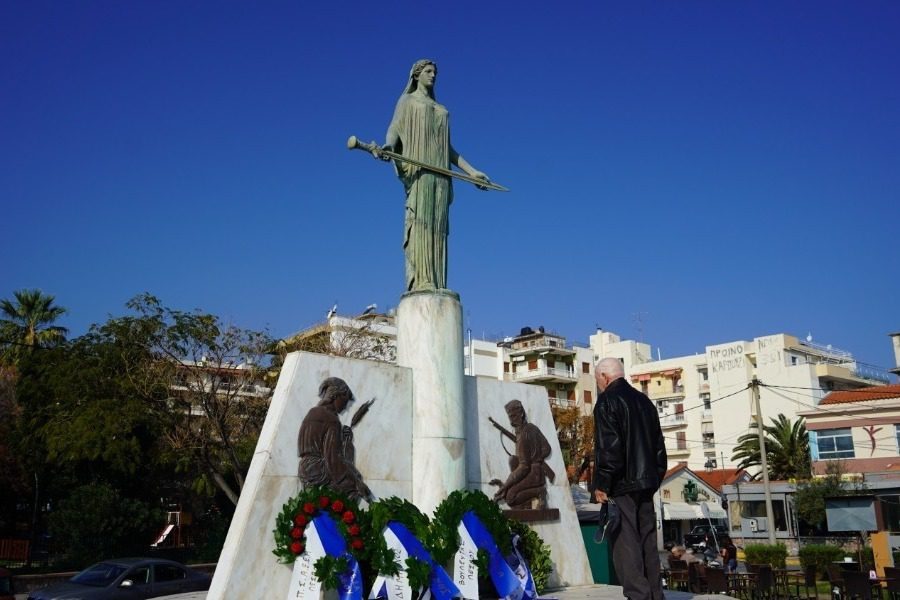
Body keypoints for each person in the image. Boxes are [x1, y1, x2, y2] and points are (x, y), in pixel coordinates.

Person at [379, 59, 489, 292]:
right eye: (428, 71)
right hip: (420, 173)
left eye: (435, 72)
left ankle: (438, 282)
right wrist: (389, 146)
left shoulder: (440, 108)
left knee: (438, 229)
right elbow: (394, 128)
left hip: (441, 175)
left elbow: (448, 149)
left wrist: (472, 172)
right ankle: (422, 280)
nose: (433, 75)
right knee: (421, 224)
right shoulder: (407, 101)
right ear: (416, 75)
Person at [593, 357, 667, 600]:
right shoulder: (645, 402)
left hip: (622, 484)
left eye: (597, 380)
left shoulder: (607, 401)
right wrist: (653, 479)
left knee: (626, 542)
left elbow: (610, 449)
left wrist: (602, 484)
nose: (598, 385)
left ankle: (638, 595)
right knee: (647, 540)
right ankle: (655, 594)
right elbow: (659, 449)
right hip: (646, 482)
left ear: (604, 377)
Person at [297, 377, 371, 500]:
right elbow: (332, 459)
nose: (346, 406)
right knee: (354, 485)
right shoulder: (331, 419)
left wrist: (344, 440)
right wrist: (356, 483)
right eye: (345, 400)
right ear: (337, 396)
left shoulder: (313, 412)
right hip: (319, 471)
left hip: (305, 469)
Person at [488, 399, 555, 508]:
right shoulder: (532, 427)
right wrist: (536, 456)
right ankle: (528, 501)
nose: (511, 421)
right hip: (537, 472)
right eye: (510, 417)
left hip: (532, 474)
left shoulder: (523, 436)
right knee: (513, 460)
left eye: (514, 416)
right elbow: (546, 449)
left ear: (522, 414)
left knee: (510, 498)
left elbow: (524, 467)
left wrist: (505, 486)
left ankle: (539, 491)